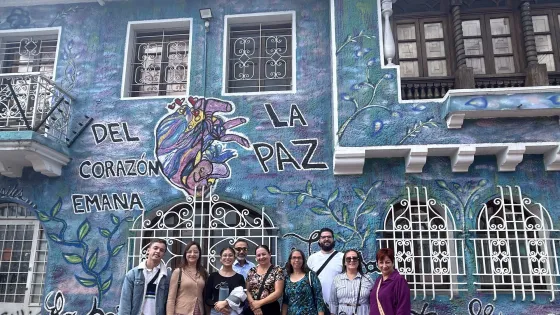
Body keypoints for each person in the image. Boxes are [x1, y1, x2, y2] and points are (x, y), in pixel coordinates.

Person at [119, 238, 169, 315]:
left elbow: (169, 302)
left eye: (161, 250)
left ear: (163, 254)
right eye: (155, 248)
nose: (158, 251)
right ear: (148, 250)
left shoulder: (167, 276)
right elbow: (125, 302)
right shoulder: (133, 274)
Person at [167, 241, 208, 315]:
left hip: (198, 311)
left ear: (199, 254)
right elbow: (171, 299)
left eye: (195, 252)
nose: (192, 254)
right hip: (181, 312)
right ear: (185, 254)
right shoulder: (178, 272)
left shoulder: (203, 272)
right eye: (189, 252)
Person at [307, 228, 344, 307]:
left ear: (333, 239)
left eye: (329, 237)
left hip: (338, 305)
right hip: (316, 305)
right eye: (323, 237)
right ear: (319, 240)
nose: (326, 239)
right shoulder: (312, 259)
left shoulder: (342, 257)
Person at [282, 249, 326, 315]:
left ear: (303, 260)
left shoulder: (311, 276)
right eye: (294, 258)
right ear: (290, 261)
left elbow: (319, 300)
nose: (296, 260)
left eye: (299, 258)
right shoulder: (287, 278)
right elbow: (285, 301)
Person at [330, 250, 374, 315]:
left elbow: (373, 301)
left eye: (355, 258)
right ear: (344, 262)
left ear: (359, 262)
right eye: (348, 259)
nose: (352, 260)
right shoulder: (337, 279)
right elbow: (333, 303)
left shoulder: (367, 279)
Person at [204, 247, 246, 315]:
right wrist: (218, 306)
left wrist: (227, 304)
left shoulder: (239, 278)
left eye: (230, 255)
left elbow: (242, 300)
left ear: (234, 258)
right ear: (220, 259)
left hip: (233, 312)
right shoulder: (213, 276)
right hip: (216, 312)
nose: (227, 257)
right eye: (225, 255)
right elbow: (207, 298)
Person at [369, 248, 411, 315]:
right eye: (381, 262)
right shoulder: (378, 280)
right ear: (377, 264)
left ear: (393, 262)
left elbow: (403, 308)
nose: (384, 266)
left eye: (387, 262)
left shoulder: (399, 281)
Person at [245, 245, 284, 315]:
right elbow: (247, 290)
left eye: (264, 254)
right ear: (256, 258)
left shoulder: (277, 270)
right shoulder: (252, 271)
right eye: (258, 255)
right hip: (252, 308)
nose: (261, 257)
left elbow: (278, 292)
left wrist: (259, 303)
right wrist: (255, 306)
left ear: (269, 254)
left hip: (270, 309)